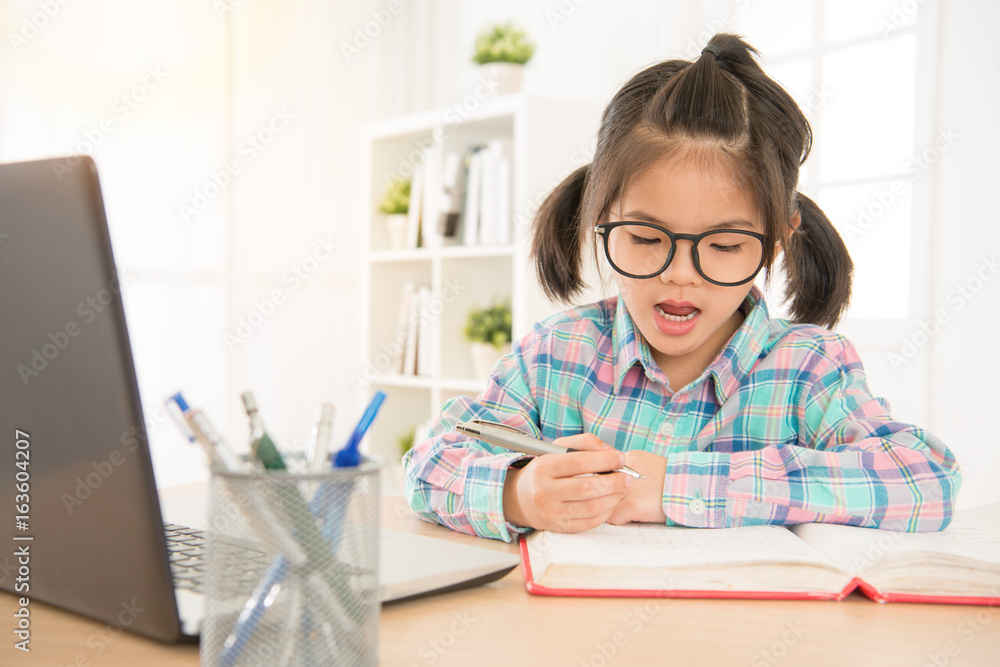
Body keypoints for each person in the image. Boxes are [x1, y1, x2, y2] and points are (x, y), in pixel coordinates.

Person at [402, 33, 961, 542]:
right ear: (599, 215)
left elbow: (925, 478)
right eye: (645, 237)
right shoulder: (556, 355)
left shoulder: (808, 369)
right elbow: (430, 462)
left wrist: (671, 483)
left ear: (776, 242)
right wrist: (518, 494)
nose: (680, 275)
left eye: (723, 246)